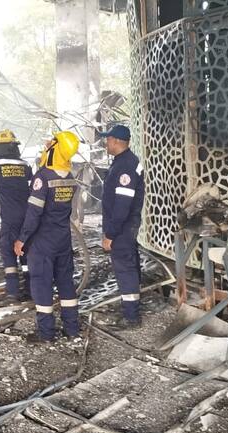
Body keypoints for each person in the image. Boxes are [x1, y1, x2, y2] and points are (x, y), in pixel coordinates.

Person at [14, 131, 81, 343]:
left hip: (43, 242)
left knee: (41, 284)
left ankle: (46, 333)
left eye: (52, 142)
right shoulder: (69, 177)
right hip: (63, 240)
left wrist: (22, 239)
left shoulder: (43, 178)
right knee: (65, 282)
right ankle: (72, 328)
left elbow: (34, 213)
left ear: (57, 148)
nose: (47, 144)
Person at [99, 124, 145, 328]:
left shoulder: (125, 165)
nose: (106, 143)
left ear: (117, 141)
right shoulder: (124, 161)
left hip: (122, 227)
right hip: (127, 225)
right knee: (130, 265)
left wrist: (110, 234)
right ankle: (131, 307)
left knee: (125, 269)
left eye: (108, 139)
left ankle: (131, 317)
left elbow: (122, 205)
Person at [0, 129, 33, 302]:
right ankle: (31, 290)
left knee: (8, 250)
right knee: (26, 252)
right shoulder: (25, 165)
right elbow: (32, 189)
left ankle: (13, 292)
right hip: (28, 217)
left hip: (10, 218)